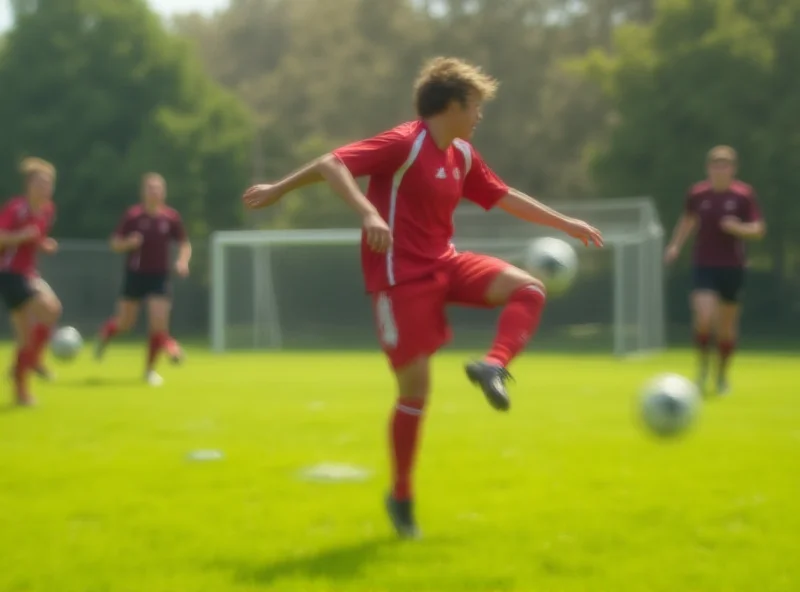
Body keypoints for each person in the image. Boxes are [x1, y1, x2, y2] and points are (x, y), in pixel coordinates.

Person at [242, 57, 604, 538]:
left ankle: (494, 365)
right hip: (398, 280)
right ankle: (402, 494)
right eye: (476, 106)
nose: (480, 116)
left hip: (446, 264)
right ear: (452, 104)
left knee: (529, 288)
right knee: (415, 392)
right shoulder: (405, 143)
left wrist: (565, 223)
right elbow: (332, 164)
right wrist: (320, 200)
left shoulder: (461, 155)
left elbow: (503, 195)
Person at [665, 145, 766, 395]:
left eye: (725, 165)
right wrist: (675, 246)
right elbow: (688, 219)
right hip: (704, 264)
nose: (720, 169)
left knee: (726, 327)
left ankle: (721, 376)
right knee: (703, 316)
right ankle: (701, 370)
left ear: (733, 169)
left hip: (733, 267)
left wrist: (737, 228)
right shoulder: (698, 194)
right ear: (708, 168)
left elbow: (758, 229)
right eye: (715, 165)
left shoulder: (743, 195)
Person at [95, 173, 191, 387]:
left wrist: (182, 262)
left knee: (158, 324)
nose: (154, 192)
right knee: (125, 323)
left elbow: (184, 243)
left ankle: (149, 371)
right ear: (143, 192)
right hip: (135, 275)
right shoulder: (133, 216)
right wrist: (128, 243)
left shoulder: (170, 218)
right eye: (150, 188)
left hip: (159, 276)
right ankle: (106, 334)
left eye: (158, 188)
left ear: (164, 192)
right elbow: (114, 243)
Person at [0, 157, 62, 406]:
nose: (45, 189)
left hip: (27, 273)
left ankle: (21, 380)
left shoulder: (48, 210)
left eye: (49, 184)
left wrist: (44, 244)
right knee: (48, 311)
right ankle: (29, 367)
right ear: (29, 185)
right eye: (40, 183)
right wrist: (20, 236)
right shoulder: (17, 208)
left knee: (41, 321)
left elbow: (36, 238)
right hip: (9, 273)